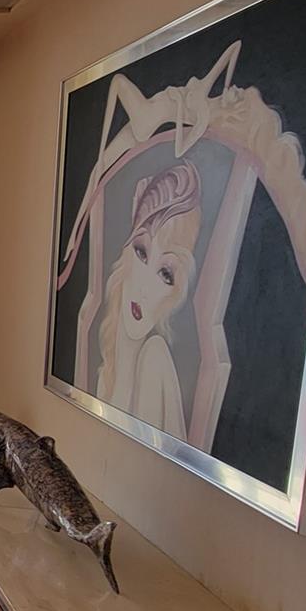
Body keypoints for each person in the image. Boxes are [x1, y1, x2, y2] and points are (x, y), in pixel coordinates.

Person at [96, 160, 201, 441]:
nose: (144, 287)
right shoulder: (107, 368)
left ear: (175, 292)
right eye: (142, 252)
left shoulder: (155, 358)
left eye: (166, 274)